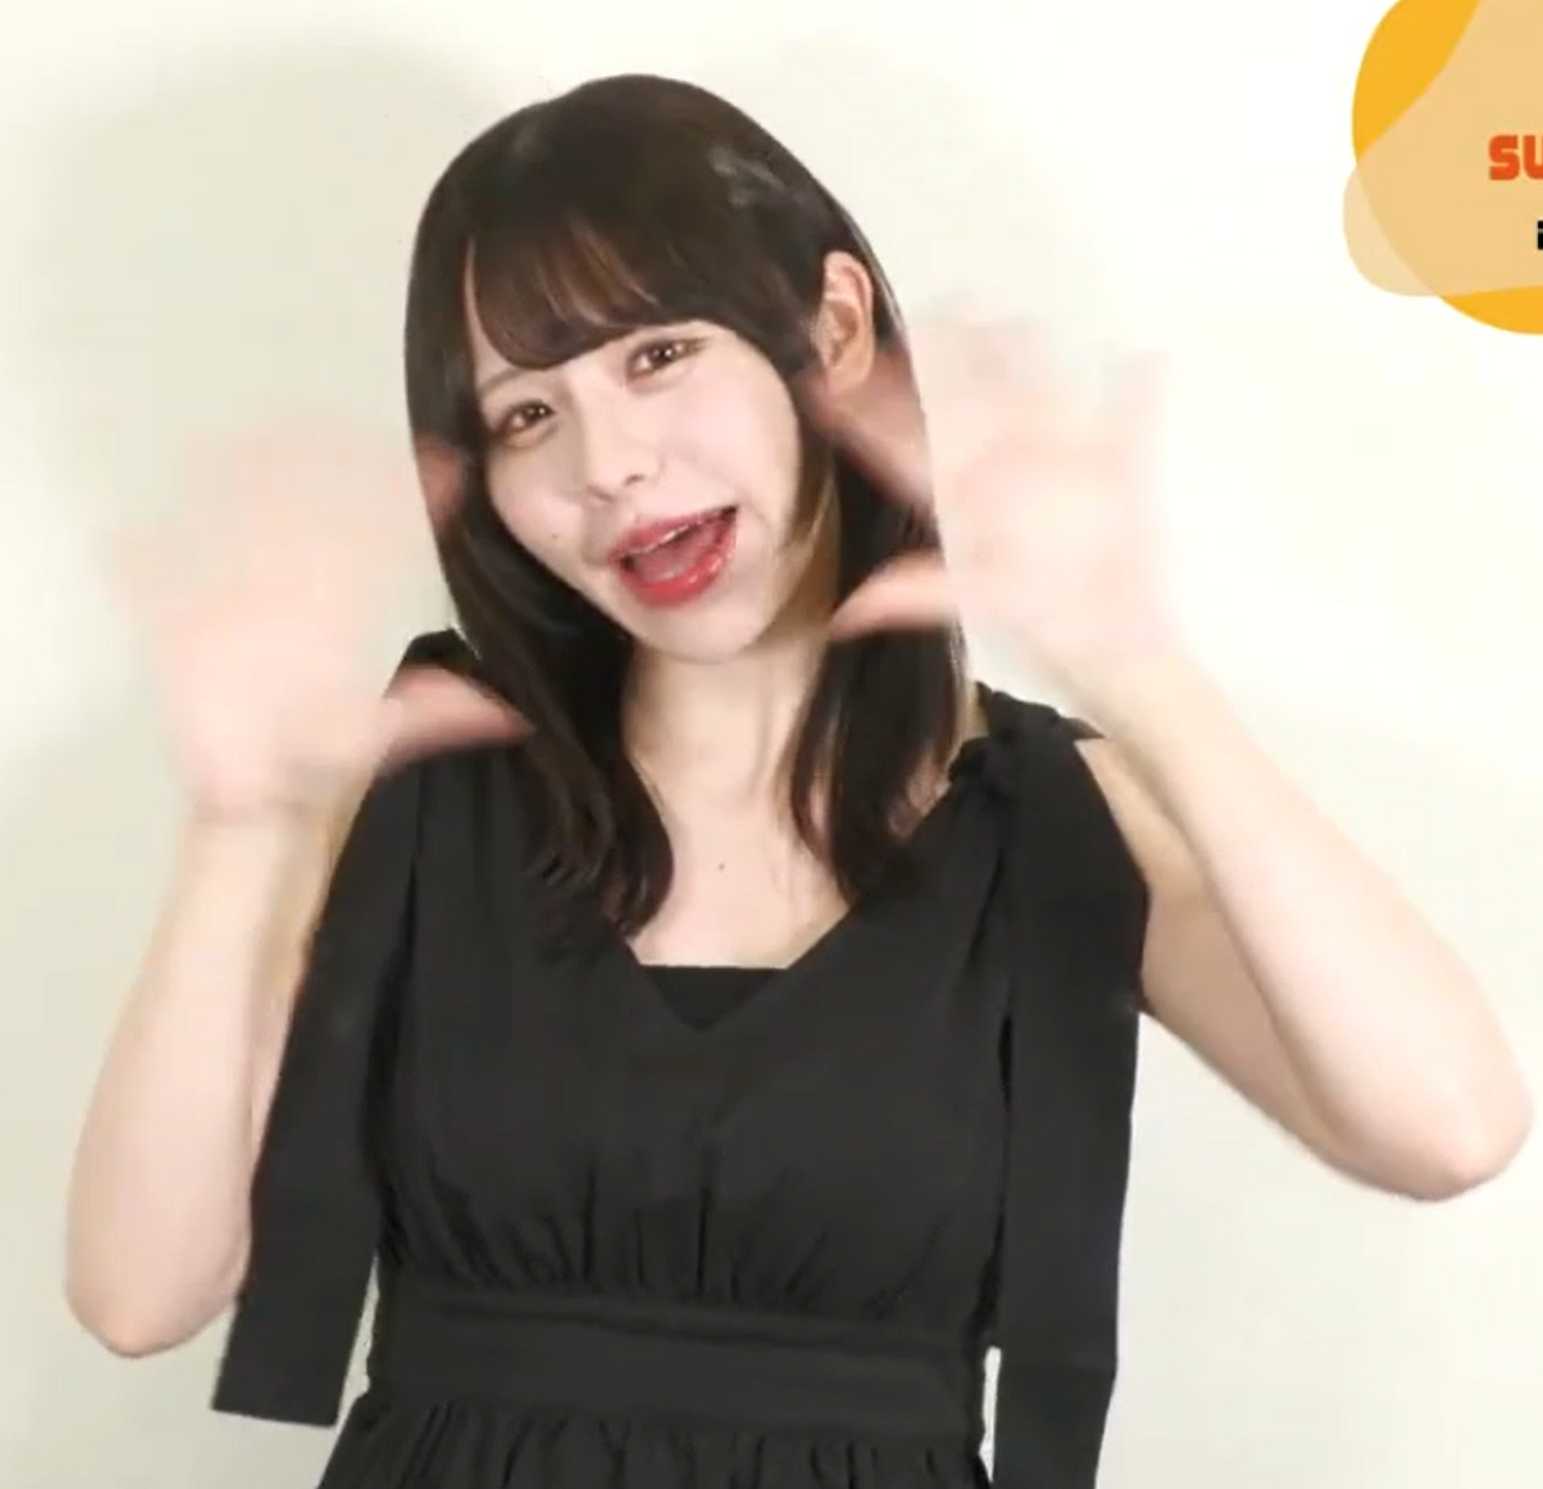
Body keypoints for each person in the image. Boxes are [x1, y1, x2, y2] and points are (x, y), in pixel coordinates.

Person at [66, 72, 1164, 1489]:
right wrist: (236, 822)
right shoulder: (406, 782)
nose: (608, 467)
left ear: (832, 327)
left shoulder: (1058, 810)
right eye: (528, 414)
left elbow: (1431, 1116)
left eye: (657, 355)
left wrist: (1141, 659)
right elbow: (135, 1295)